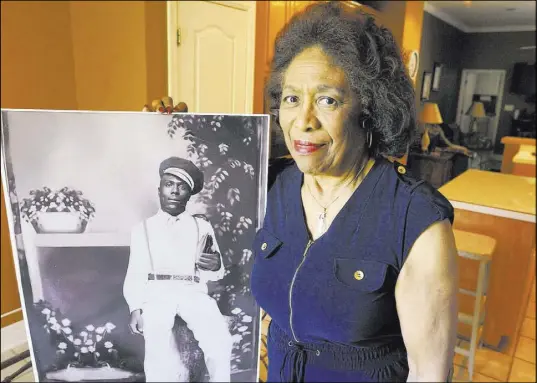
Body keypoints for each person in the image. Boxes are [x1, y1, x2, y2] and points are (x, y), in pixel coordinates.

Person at [249, 2, 459, 382]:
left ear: (368, 108)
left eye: (327, 100)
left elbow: (429, 374)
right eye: (292, 98)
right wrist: (159, 128)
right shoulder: (271, 184)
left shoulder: (415, 219)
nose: (303, 121)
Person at [123, 156, 233, 382]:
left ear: (189, 194)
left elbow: (215, 271)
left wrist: (215, 265)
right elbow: (135, 271)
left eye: (182, 186)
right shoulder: (142, 229)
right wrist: (135, 307)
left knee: (220, 340)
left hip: (192, 291)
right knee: (157, 346)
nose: (174, 191)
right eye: (169, 184)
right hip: (156, 294)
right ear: (159, 189)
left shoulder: (201, 226)